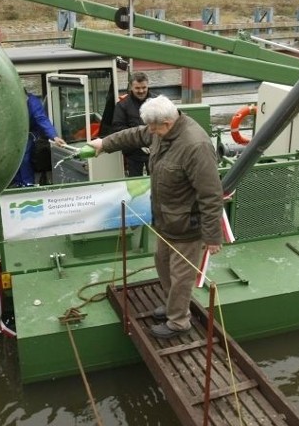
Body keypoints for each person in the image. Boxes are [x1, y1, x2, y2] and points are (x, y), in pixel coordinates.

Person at [88, 95, 224, 339]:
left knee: (182, 275)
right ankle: (174, 305)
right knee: (162, 262)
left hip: (187, 225)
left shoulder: (196, 146)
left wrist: (213, 236)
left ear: (168, 123)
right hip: (165, 220)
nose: (150, 132)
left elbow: (211, 194)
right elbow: (134, 135)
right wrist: (103, 144)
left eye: (154, 128)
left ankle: (179, 322)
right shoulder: (159, 129)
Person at [11, 90, 65, 187]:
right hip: (14, 133)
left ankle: (28, 183)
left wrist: (54, 136)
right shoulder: (10, 102)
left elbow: (41, 119)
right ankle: (17, 182)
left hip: (30, 132)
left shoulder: (32, 102)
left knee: (24, 157)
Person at [112, 72, 156, 177]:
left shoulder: (157, 102)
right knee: (135, 187)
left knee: (158, 183)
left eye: (144, 87)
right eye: (137, 88)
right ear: (131, 87)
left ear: (148, 85)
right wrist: (138, 143)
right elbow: (118, 128)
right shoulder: (122, 105)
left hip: (156, 152)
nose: (141, 91)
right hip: (133, 154)